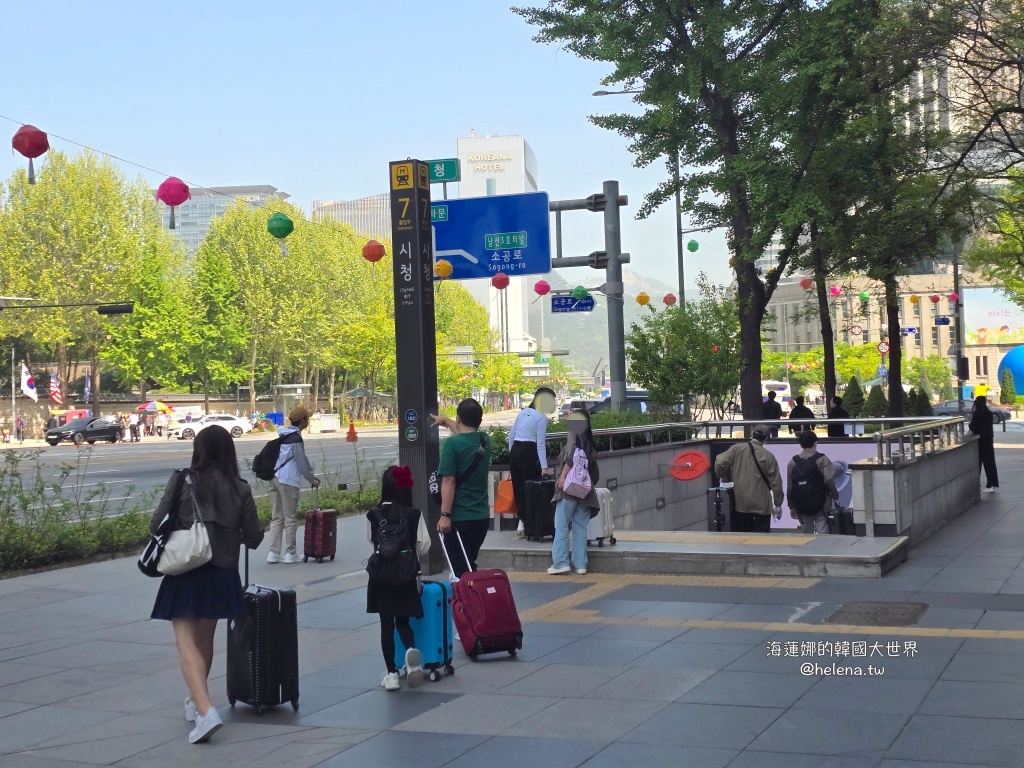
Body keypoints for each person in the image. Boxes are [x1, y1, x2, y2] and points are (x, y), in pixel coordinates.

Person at [149, 425, 264, 744]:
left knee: (185, 643)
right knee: (205, 640)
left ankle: (206, 710)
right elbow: (254, 536)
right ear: (228, 451)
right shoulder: (241, 488)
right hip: (222, 573)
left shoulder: (182, 479)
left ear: (199, 450)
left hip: (186, 570)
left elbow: (155, 523)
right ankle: (195, 701)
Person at [366, 465, 430, 691]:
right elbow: (424, 546)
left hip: (381, 577)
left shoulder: (374, 514)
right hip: (405, 576)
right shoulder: (413, 515)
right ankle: (411, 656)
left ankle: (391, 674)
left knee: (386, 625)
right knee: (403, 621)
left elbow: (371, 541)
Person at [431, 398, 492, 578]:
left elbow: (449, 481)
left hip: (459, 519)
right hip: (480, 518)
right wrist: (447, 420)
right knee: (468, 565)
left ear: (459, 418)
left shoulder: (452, 445)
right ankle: (473, 604)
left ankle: (468, 605)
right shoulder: (484, 441)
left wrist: (444, 516)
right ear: (480, 420)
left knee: (461, 573)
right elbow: (464, 435)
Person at [547, 410, 600, 575]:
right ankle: (580, 565)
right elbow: (595, 473)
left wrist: (562, 476)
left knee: (561, 526)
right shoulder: (588, 441)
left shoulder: (573, 435)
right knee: (580, 528)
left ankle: (561, 563)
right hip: (585, 492)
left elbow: (571, 456)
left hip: (570, 489)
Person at [267, 406, 320, 563]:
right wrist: (312, 479)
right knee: (290, 517)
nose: (308, 421)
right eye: (307, 418)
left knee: (276, 517)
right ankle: (291, 553)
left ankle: (273, 553)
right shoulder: (296, 438)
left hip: (274, 478)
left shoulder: (283, 435)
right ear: (302, 420)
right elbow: (301, 462)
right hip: (287, 480)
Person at [714, 423, 784, 532]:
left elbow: (720, 462)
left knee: (744, 539)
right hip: (762, 506)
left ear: (752, 434)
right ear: (766, 439)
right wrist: (778, 504)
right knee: (762, 540)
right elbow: (776, 482)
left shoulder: (737, 449)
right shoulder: (768, 456)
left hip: (741, 504)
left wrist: (722, 475)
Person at [508, 386, 557, 538]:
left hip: (515, 450)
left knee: (519, 490)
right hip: (529, 452)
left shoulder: (523, 412)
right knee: (531, 490)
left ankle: (522, 523)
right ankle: (531, 527)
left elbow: (511, 436)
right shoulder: (541, 418)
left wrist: (512, 455)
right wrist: (544, 467)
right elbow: (540, 444)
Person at [786, 431, 840, 534]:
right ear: (815, 442)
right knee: (823, 533)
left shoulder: (793, 462)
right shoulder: (823, 459)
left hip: (801, 505)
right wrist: (835, 497)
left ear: (800, 444)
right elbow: (829, 480)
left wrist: (791, 506)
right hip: (822, 503)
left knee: (806, 534)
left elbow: (790, 487)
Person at [970, 395, 999, 493]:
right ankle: (991, 484)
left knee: (977, 463)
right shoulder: (989, 413)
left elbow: (973, 427)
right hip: (988, 439)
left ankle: (976, 483)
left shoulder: (977, 413)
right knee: (990, 463)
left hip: (979, 440)